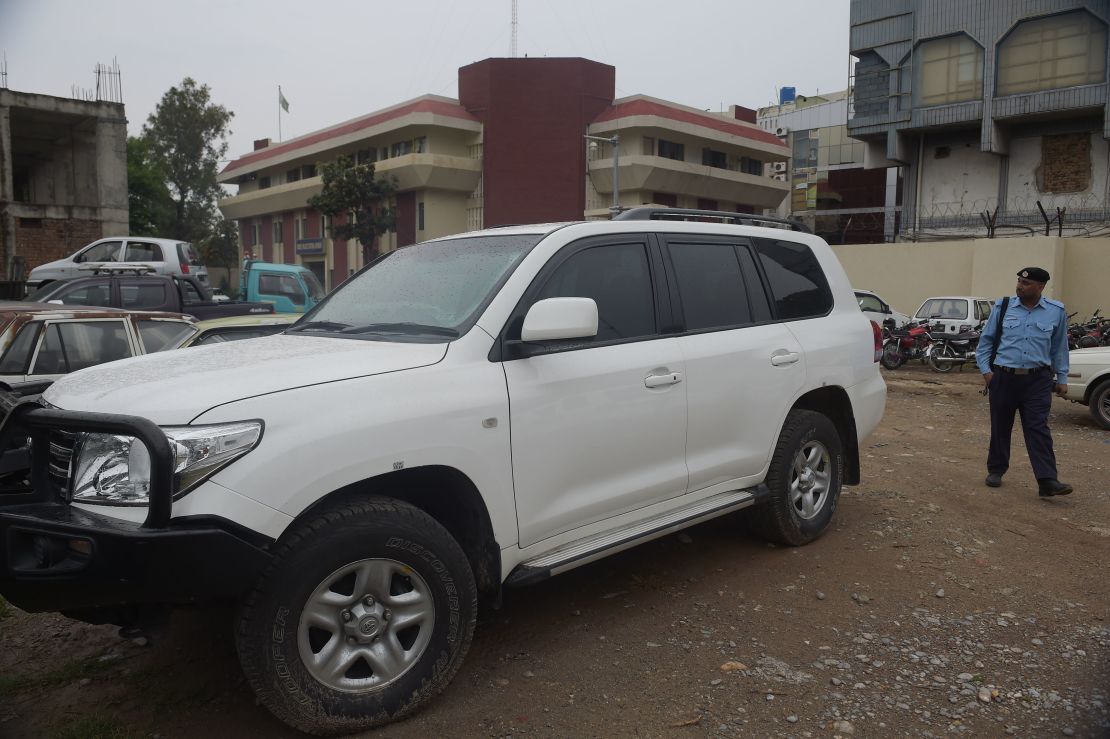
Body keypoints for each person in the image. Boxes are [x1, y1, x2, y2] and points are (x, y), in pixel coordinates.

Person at [975, 267, 1072, 498]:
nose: (1020, 286)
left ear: (1040, 287)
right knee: (1000, 426)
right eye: (1019, 281)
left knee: (1038, 427)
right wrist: (988, 373)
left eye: (1026, 284)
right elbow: (985, 342)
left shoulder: (1056, 311)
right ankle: (996, 470)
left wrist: (1063, 377)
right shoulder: (1003, 306)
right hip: (1003, 377)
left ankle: (1047, 480)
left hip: (1038, 380)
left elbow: (1060, 347)